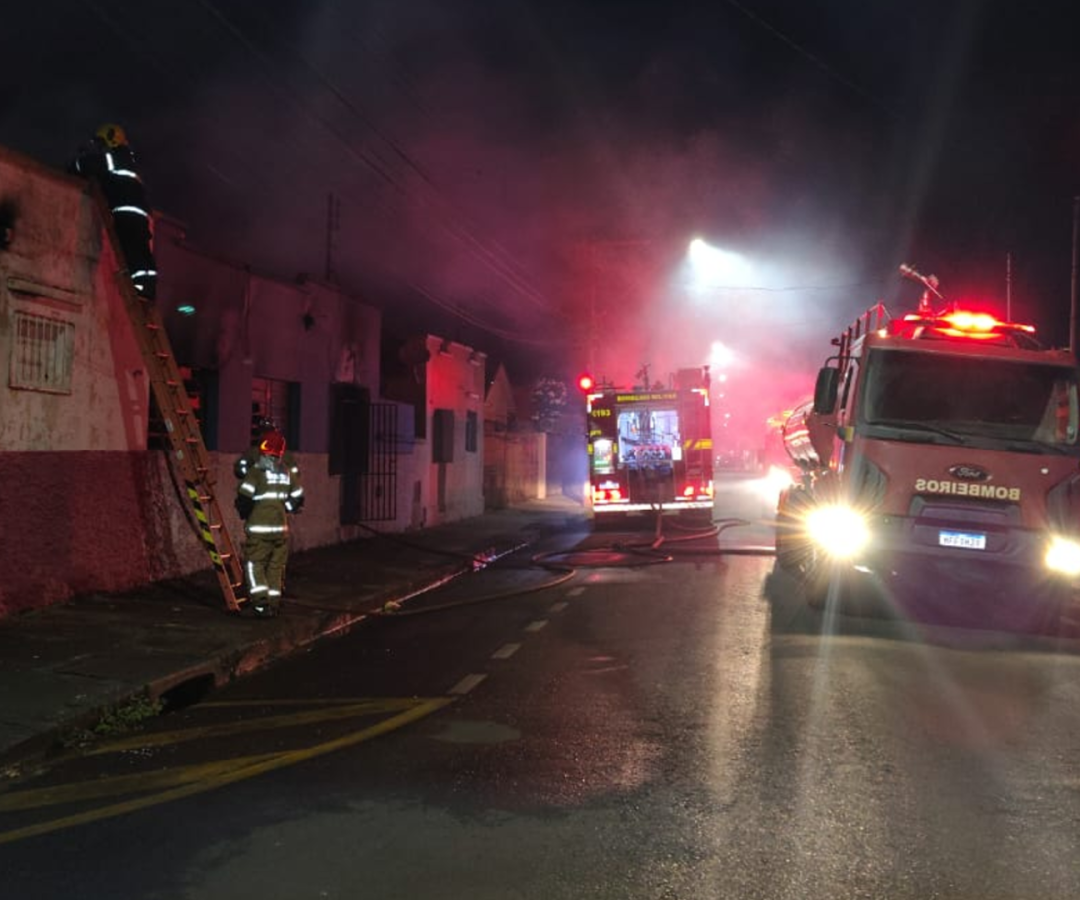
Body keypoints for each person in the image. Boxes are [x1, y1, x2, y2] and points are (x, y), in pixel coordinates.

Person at [71, 123, 158, 300]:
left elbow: (92, 165)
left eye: (101, 143)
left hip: (126, 214)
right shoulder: (129, 163)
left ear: (112, 140)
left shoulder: (116, 158)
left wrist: (76, 165)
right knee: (141, 254)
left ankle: (140, 287)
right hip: (139, 216)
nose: (100, 148)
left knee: (131, 252)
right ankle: (146, 289)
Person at [235, 430, 304, 618]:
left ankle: (260, 606)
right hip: (280, 531)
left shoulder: (257, 471)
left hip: (259, 530)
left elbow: (244, 498)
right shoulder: (286, 472)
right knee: (275, 567)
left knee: (254, 565)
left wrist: (246, 513)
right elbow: (298, 496)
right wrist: (286, 508)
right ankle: (273, 605)